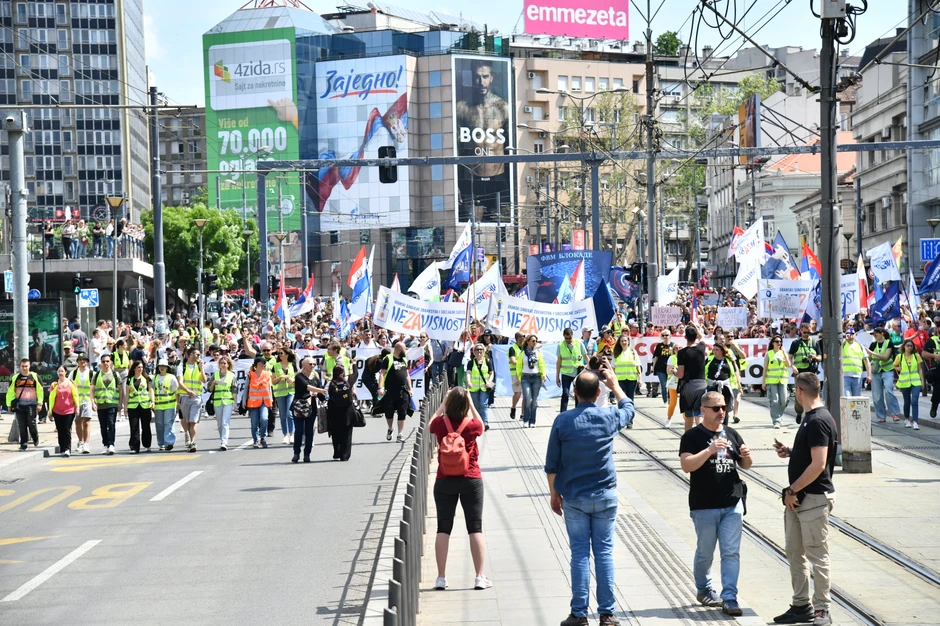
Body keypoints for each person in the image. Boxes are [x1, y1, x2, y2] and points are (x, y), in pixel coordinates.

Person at [545, 364, 635, 626]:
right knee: (605, 553)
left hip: (574, 497)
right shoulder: (609, 417)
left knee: (580, 554)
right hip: (605, 495)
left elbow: (552, 464)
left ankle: (579, 614)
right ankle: (607, 614)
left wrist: (554, 493)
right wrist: (615, 385)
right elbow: (629, 409)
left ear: (574, 391)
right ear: (598, 393)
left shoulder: (562, 421)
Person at [772, 373, 838, 626]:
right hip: (801, 498)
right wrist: (791, 452)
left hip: (812, 498)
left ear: (799, 391)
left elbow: (819, 464)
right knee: (794, 551)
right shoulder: (811, 418)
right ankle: (801, 605)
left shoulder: (819, 419)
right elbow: (811, 455)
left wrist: (792, 490)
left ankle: (822, 608)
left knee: (816, 554)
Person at [679, 391, 752, 617]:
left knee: (731, 552)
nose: (722, 412)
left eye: (724, 407)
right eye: (716, 408)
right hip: (704, 505)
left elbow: (746, 465)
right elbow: (686, 465)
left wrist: (747, 456)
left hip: (731, 503)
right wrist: (709, 450)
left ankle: (729, 597)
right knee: (706, 553)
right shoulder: (692, 436)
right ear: (703, 410)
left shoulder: (732, 433)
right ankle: (703, 589)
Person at [428, 387, 491, 591]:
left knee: (443, 528)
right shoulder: (471, 425)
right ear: (465, 405)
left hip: (444, 479)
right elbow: (482, 425)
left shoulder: (440, 424)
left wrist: (443, 404)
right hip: (471, 479)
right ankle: (480, 577)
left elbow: (429, 424)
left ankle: (441, 577)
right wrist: (472, 404)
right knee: (475, 527)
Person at [291, 357, 327, 463]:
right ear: (304, 365)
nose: (312, 366)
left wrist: (319, 394)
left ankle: (307, 454)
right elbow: (307, 387)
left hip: (311, 408)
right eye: (310, 364)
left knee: (309, 431)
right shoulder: (299, 377)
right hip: (299, 407)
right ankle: (296, 453)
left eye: (314, 364)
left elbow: (322, 396)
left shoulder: (316, 378)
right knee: (299, 431)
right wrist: (320, 390)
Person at [378, 340, 413, 443]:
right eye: (404, 348)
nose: (405, 350)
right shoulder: (388, 359)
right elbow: (382, 374)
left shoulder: (404, 360)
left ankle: (400, 434)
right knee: (389, 412)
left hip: (403, 391)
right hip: (390, 390)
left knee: (402, 412)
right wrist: (380, 387)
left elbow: (407, 375)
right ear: (399, 349)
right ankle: (390, 428)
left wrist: (410, 389)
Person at [7, 359, 44, 450]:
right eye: (23, 366)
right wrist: (9, 405)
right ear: (20, 366)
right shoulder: (15, 378)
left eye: (26, 366)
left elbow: (40, 391)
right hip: (19, 405)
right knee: (21, 425)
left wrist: (39, 403)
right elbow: (10, 392)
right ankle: (23, 444)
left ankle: (35, 438)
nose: (24, 368)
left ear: (29, 366)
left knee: (31, 423)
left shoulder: (35, 376)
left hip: (31, 404)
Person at [89, 353, 123, 455]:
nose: (105, 363)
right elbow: (92, 390)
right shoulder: (97, 375)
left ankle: (111, 444)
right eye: (103, 361)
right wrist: (93, 402)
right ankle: (105, 445)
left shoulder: (115, 374)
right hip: (101, 404)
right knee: (103, 426)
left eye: (107, 361)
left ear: (111, 362)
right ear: (101, 363)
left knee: (111, 424)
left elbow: (121, 390)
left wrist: (120, 403)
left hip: (112, 403)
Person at [678, 325, 709, 431]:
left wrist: (673, 372)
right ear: (695, 336)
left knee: (689, 416)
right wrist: (695, 325)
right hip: (701, 384)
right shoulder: (701, 348)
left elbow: (680, 374)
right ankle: (701, 435)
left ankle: (688, 440)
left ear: (685, 337)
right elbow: (702, 337)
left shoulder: (682, 353)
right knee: (699, 414)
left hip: (688, 386)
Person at [789, 325, 822, 423]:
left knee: (812, 393)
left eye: (809, 333)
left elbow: (820, 357)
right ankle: (799, 412)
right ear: (801, 332)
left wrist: (814, 357)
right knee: (799, 394)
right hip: (799, 373)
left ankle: (811, 413)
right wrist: (792, 366)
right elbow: (789, 357)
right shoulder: (796, 343)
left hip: (811, 372)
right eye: (805, 333)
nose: (807, 335)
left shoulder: (814, 342)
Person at [867, 327, 900, 423]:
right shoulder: (873, 344)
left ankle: (894, 413)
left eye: (876, 334)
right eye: (873, 335)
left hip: (887, 370)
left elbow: (886, 357)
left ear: (882, 333)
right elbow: (868, 359)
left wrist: (872, 353)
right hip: (876, 372)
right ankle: (881, 415)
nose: (874, 336)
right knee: (877, 395)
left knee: (888, 391)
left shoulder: (888, 343)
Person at [177, 347, 206, 451]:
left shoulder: (198, 367)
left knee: (193, 421)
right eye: (197, 355)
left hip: (196, 397)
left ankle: (193, 442)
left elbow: (204, 380)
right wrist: (188, 391)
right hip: (185, 396)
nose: (198, 357)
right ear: (190, 355)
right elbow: (180, 382)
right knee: (187, 420)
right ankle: (188, 437)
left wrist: (202, 368)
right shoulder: (182, 366)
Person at [515, 334, 547, 428]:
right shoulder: (522, 353)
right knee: (528, 399)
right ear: (528, 341)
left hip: (536, 377)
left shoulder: (538, 353)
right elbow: (519, 365)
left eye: (535, 341)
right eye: (532, 341)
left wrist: (543, 375)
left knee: (534, 401)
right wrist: (519, 376)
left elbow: (541, 364)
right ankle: (526, 419)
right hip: (525, 377)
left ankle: (532, 421)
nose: (534, 343)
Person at [327, 365, 357, 462]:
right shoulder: (348, 381)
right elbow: (356, 374)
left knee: (336, 433)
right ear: (343, 372)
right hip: (347, 412)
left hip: (334, 412)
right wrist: (354, 364)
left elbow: (325, 396)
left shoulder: (331, 383)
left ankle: (337, 452)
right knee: (347, 434)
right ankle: (345, 455)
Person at [704, 343, 740, 425]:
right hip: (712, 387)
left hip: (725, 388)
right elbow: (702, 370)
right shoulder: (709, 359)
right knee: (713, 407)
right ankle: (712, 425)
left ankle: (724, 427)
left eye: (717, 350)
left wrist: (739, 386)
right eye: (714, 349)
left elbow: (735, 373)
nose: (714, 351)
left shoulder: (728, 360)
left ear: (722, 351)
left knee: (724, 408)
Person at [242, 356, 273, 448]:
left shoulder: (267, 375)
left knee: (264, 419)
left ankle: (263, 437)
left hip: (264, 401)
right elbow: (246, 388)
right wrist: (244, 401)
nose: (263, 365)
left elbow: (269, 388)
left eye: (264, 363)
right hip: (253, 402)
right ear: (256, 365)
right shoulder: (250, 375)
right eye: (261, 363)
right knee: (254, 422)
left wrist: (271, 399)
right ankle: (256, 440)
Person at [894, 339, 925, 430]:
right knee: (907, 401)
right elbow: (894, 366)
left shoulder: (916, 356)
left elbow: (920, 369)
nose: (909, 347)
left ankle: (915, 421)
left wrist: (922, 381)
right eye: (908, 345)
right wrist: (901, 369)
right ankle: (907, 419)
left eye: (911, 346)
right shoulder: (900, 356)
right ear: (904, 346)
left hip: (915, 381)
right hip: (905, 382)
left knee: (914, 401)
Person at [48, 365, 78, 457]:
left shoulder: (71, 383)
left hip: (69, 410)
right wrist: (50, 411)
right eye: (58, 371)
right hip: (57, 411)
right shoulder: (54, 385)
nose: (60, 373)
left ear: (66, 372)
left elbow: (75, 396)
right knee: (60, 430)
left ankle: (67, 449)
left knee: (66, 429)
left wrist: (77, 407)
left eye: (62, 371)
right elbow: (51, 398)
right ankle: (62, 447)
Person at [763, 336, 792, 428]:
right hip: (772, 380)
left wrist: (784, 352)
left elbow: (789, 364)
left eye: (780, 341)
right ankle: (776, 420)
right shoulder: (769, 354)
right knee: (775, 401)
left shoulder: (783, 353)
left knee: (783, 401)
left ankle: (779, 415)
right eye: (777, 341)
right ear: (773, 343)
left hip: (782, 380)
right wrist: (763, 382)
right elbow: (765, 369)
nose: (779, 343)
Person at [126, 360, 154, 453]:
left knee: (145, 426)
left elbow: (151, 391)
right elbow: (127, 394)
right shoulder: (129, 379)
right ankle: (134, 447)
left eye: (142, 367)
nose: (140, 369)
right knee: (134, 427)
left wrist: (152, 401)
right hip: (133, 406)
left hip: (145, 405)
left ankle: (147, 445)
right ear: (134, 368)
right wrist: (125, 407)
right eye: (138, 367)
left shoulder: (146, 378)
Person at [556, 327, 586, 413]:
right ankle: (562, 413)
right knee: (565, 393)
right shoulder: (560, 345)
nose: (568, 340)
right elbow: (558, 361)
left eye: (570, 338)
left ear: (573, 335)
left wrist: (592, 368)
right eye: (566, 338)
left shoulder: (579, 343)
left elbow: (585, 356)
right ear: (563, 336)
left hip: (577, 372)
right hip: (566, 373)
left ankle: (577, 412)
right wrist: (557, 376)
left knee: (578, 394)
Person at [209, 355, 236, 450]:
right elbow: (209, 389)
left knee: (225, 422)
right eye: (221, 363)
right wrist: (213, 383)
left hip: (228, 400)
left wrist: (235, 403)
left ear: (228, 365)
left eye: (224, 363)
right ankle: (222, 439)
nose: (223, 365)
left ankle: (224, 442)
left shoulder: (232, 375)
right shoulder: (215, 375)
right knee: (219, 423)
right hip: (217, 401)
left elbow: (234, 390)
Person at [466, 342, 494, 431]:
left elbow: (491, 373)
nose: (479, 351)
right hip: (473, 388)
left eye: (481, 350)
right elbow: (468, 373)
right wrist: (469, 382)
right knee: (476, 405)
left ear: (484, 351)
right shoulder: (471, 362)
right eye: (477, 350)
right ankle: (478, 423)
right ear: (474, 351)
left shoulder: (488, 361)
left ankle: (485, 422)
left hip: (484, 387)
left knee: (483, 404)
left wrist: (489, 382)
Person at [271, 347, 296, 445]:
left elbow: (296, 378)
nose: (280, 355)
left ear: (287, 354)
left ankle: (292, 434)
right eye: (279, 353)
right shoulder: (276, 366)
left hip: (291, 391)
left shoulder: (292, 365)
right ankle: (285, 435)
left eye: (282, 353)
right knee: (282, 415)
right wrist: (281, 377)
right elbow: (273, 381)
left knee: (289, 413)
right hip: (280, 393)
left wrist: (292, 380)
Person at [153, 359, 179, 451]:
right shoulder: (155, 378)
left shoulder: (171, 377)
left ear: (167, 368)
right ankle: (161, 443)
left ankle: (169, 442)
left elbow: (176, 391)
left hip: (169, 405)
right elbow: (152, 390)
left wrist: (178, 403)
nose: (162, 368)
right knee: (159, 425)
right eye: (160, 366)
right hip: (158, 405)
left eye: (164, 366)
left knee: (168, 423)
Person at [70, 354, 94, 453]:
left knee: (87, 421)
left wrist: (93, 401)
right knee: (78, 422)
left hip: (87, 400)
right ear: (77, 362)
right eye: (80, 360)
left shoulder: (92, 373)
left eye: (84, 360)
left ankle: (86, 444)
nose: (82, 362)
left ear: (87, 361)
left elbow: (94, 388)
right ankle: (80, 441)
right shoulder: (73, 373)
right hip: (77, 401)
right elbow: (70, 386)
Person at [841, 328, 871, 397]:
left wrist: (869, 375)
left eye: (852, 333)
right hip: (845, 376)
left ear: (855, 335)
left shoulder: (860, 346)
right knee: (847, 397)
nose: (850, 335)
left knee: (856, 399)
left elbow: (866, 361)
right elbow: (837, 351)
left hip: (857, 376)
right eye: (848, 333)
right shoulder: (843, 345)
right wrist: (844, 340)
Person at [612, 335, 641, 401]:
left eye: (625, 341)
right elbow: (613, 367)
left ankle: (630, 411)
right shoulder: (616, 353)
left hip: (632, 379)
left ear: (628, 342)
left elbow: (638, 366)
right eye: (622, 341)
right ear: (619, 342)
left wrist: (640, 379)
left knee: (630, 398)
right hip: (620, 379)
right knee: (621, 398)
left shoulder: (633, 352)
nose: (623, 342)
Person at [651, 330, 673, 405]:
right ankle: (665, 401)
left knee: (670, 384)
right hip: (660, 367)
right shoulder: (659, 345)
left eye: (667, 335)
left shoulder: (673, 345)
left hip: (670, 368)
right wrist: (653, 367)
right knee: (664, 384)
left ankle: (670, 399)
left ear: (670, 336)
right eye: (663, 335)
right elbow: (656, 357)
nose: (665, 337)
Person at [508, 332, 526, 420]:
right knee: (518, 394)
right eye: (522, 336)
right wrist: (524, 363)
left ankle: (523, 414)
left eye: (524, 336)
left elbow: (538, 345)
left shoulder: (526, 348)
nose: (523, 338)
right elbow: (513, 361)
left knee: (526, 394)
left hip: (526, 373)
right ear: (517, 338)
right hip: (516, 374)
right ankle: (513, 407)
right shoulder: (512, 349)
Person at [665, 344, 680, 428]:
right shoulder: (672, 358)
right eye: (676, 348)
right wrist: (675, 370)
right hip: (673, 383)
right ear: (673, 350)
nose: (678, 349)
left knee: (684, 402)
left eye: (680, 348)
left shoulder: (685, 357)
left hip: (682, 383)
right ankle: (669, 418)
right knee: (673, 402)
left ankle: (686, 419)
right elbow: (668, 371)